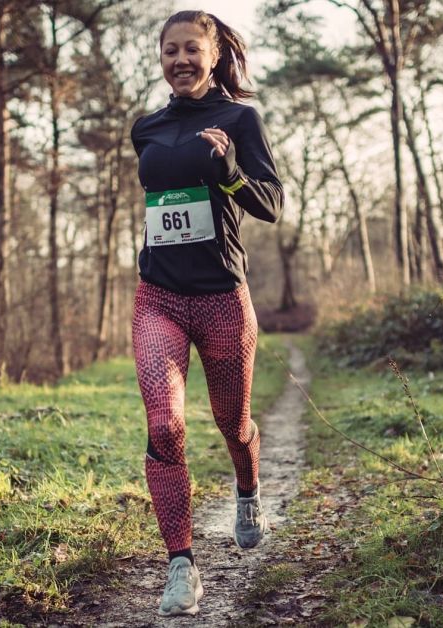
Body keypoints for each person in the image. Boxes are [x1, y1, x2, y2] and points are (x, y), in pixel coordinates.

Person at [130, 9, 284, 617]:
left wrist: (228, 174)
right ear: (162, 58)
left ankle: (248, 491)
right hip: (159, 296)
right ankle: (181, 566)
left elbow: (270, 202)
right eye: (171, 51)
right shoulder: (146, 128)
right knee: (164, 428)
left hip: (222, 297)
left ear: (215, 55)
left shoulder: (239, 118)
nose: (181, 61)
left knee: (232, 423)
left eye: (192, 50)